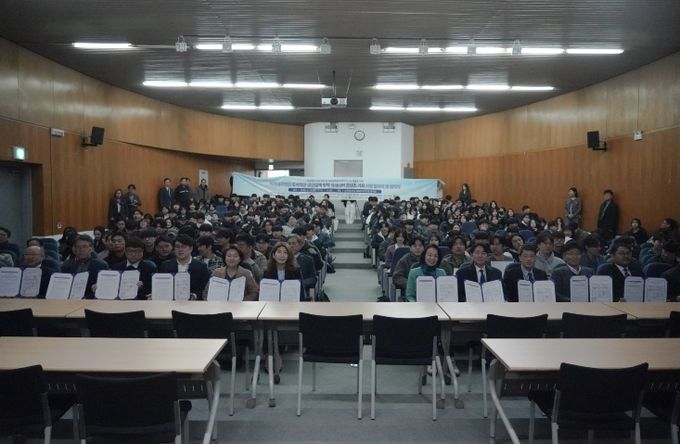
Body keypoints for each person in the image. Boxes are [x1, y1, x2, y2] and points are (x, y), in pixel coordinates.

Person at [159, 234, 210, 299]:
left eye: (183, 247)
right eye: (177, 247)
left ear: (191, 248)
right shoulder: (166, 265)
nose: (180, 250)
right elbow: (162, 287)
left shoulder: (201, 266)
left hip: (193, 303)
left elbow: (205, 289)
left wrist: (195, 296)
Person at [61, 234, 109, 299]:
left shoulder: (101, 265)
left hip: (92, 300)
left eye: (84, 246)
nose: (81, 249)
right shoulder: (66, 265)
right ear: (74, 249)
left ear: (91, 249)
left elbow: (105, 288)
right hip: (69, 299)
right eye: (78, 247)